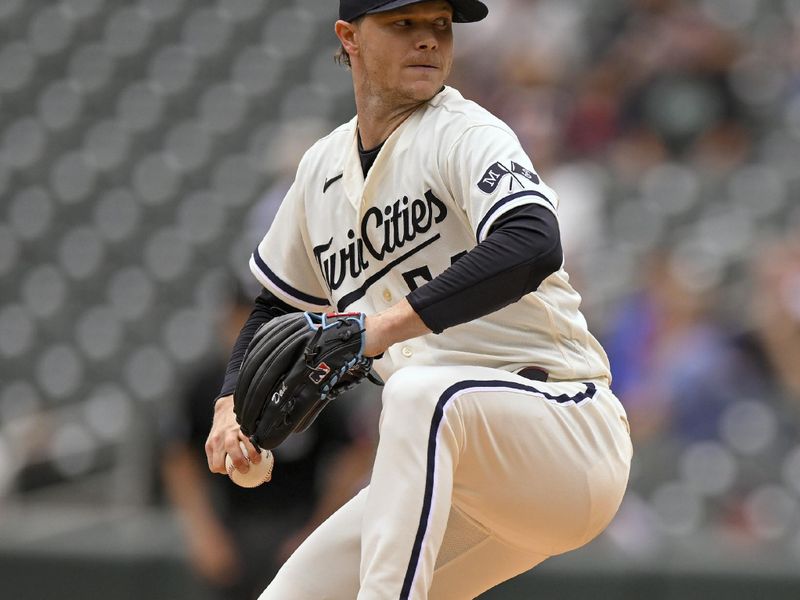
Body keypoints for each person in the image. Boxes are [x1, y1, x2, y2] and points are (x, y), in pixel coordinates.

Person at [205, 1, 632, 598]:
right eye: (404, 24)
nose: (429, 40)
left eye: (439, 25)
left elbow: (533, 241)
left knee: (419, 393)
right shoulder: (321, 169)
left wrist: (382, 328)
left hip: (560, 435)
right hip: (456, 479)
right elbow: (275, 304)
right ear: (348, 37)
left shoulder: (466, 133)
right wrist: (231, 408)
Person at [163, 287, 376, 599]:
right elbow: (178, 459)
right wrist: (202, 532)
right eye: (240, 317)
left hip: (297, 520)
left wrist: (317, 528)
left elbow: (355, 451)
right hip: (233, 525)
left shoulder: (313, 378)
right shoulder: (208, 384)